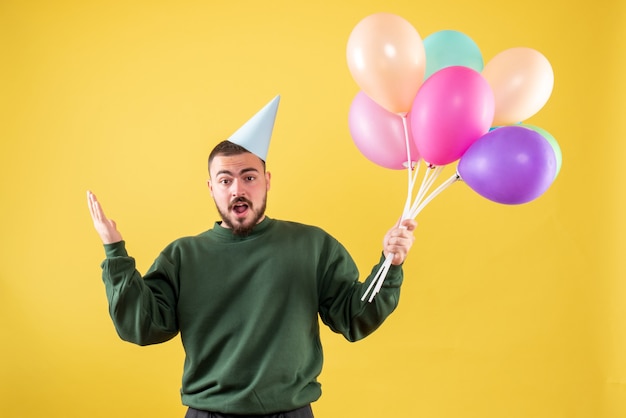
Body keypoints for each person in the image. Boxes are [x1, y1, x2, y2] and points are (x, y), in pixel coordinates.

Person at [87, 96, 417, 418]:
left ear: (267, 181)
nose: (237, 190)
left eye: (249, 177)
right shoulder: (182, 256)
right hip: (209, 412)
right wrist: (115, 252)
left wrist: (390, 263)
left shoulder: (313, 246)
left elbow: (354, 316)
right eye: (225, 180)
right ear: (211, 188)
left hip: (290, 412)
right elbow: (143, 327)